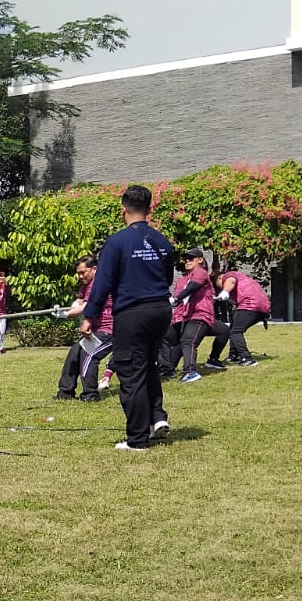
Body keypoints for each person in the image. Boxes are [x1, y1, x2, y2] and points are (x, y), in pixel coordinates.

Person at [83, 185, 177, 451]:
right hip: (160, 310)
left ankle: (137, 439)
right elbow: (168, 278)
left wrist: (90, 316)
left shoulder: (116, 242)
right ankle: (156, 418)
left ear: (123, 209)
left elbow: (102, 284)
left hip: (132, 313)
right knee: (147, 366)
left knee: (130, 372)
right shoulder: (162, 241)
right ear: (150, 209)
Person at [60, 255, 113, 402]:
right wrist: (70, 307)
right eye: (78, 273)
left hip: (110, 330)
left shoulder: (100, 283)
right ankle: (65, 392)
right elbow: (80, 301)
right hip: (95, 330)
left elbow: (86, 306)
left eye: (83, 272)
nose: (80, 276)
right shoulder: (87, 284)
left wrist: (66, 314)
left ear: (94, 269)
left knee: (89, 355)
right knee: (74, 353)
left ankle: (90, 394)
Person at [167, 248, 216, 384]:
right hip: (187, 316)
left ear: (200, 260)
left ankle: (190, 372)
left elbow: (193, 287)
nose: (187, 261)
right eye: (186, 259)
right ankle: (167, 369)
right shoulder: (185, 279)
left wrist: (175, 299)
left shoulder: (200, 272)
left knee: (188, 340)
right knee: (172, 338)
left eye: (191, 258)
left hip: (200, 314)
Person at [207, 268, 270, 367]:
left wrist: (225, 291)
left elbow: (230, 280)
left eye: (217, 285)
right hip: (263, 307)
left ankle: (247, 358)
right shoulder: (244, 279)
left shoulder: (229, 275)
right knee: (234, 328)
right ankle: (234, 355)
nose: (219, 288)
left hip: (250, 305)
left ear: (219, 278)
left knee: (235, 332)